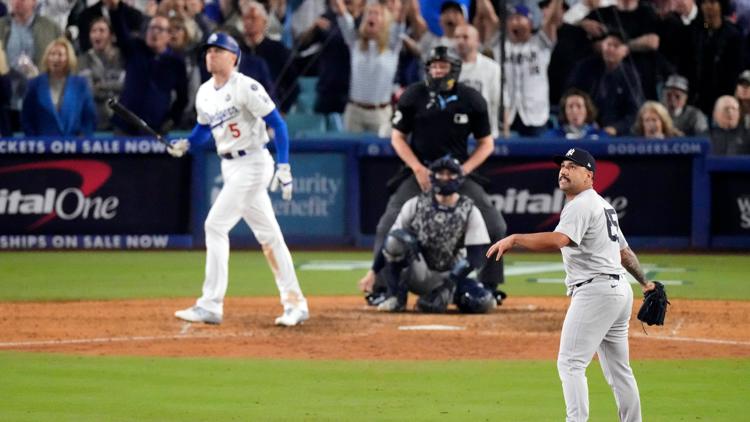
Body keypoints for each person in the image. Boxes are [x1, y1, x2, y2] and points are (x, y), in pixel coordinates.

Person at [487, 147, 656, 422]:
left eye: (573, 166)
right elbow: (624, 253)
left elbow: (559, 240)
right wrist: (645, 282)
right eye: (563, 165)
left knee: (571, 363)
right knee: (619, 370)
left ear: (589, 176)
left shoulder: (581, 204)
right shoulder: (603, 205)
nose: (564, 170)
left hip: (596, 292)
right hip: (618, 291)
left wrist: (515, 238)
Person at [169, 32, 310, 327]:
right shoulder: (205, 92)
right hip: (230, 165)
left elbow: (278, 124)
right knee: (270, 236)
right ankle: (295, 303)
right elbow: (202, 129)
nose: (211, 55)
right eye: (209, 51)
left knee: (215, 225)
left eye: (219, 50)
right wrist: (186, 144)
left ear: (233, 57)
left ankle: (211, 304)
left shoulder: (245, 86)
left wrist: (284, 165)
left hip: (255, 163)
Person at [362, 45, 507, 305]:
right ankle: (383, 288)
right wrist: (417, 167)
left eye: (443, 66)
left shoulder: (472, 99)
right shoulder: (412, 95)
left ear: (455, 69)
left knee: (495, 225)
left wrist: (464, 170)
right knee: (388, 224)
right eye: (433, 66)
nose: (437, 71)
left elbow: (487, 143)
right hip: (422, 172)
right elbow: (398, 138)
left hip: (458, 173)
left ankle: (490, 285)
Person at [360, 155, 496, 314]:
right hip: (419, 271)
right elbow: (391, 241)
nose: (445, 178)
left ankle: (448, 297)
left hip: (452, 274)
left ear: (459, 177)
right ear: (433, 176)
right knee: (397, 240)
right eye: (441, 173)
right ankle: (395, 296)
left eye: (450, 174)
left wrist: (449, 285)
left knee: (481, 302)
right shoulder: (415, 203)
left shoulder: (470, 209)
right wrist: (373, 271)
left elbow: (476, 255)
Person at [109, 9, 188, 135]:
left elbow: (183, 98)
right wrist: (114, 8)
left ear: (169, 36)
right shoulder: (135, 49)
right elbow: (120, 31)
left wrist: (172, 120)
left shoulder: (176, 63)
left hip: (154, 129)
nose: (154, 32)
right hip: (124, 127)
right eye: (151, 28)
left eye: (160, 29)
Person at [21, 37, 97, 136]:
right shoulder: (35, 84)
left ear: (68, 58)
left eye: (60, 55)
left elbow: (89, 118)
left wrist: (82, 140)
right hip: (43, 146)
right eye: (52, 54)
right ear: (47, 57)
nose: (55, 58)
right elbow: (26, 118)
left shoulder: (80, 85)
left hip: (73, 146)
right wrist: (34, 141)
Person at [454, 23, 501, 138]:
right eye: (457, 37)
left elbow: (497, 101)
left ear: (476, 40)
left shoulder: (492, 67)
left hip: (485, 134)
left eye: (465, 37)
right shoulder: (447, 69)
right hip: (456, 135)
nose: (460, 41)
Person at [77, 16, 125, 131]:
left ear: (112, 36)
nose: (97, 35)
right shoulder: (82, 60)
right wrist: (113, 87)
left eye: (102, 31)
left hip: (120, 122)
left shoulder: (123, 58)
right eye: (93, 31)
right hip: (94, 122)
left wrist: (101, 85)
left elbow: (126, 86)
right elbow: (89, 91)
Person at [543, 88, 608, 139]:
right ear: (564, 112)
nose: (574, 111)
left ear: (587, 110)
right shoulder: (552, 136)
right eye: (570, 106)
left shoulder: (600, 136)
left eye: (579, 106)